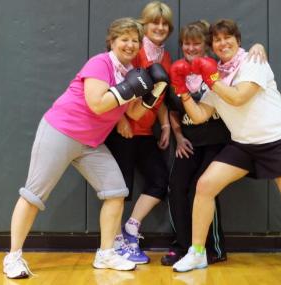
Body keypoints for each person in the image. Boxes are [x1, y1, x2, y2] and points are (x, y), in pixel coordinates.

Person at [2, 17, 169, 279]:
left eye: (134, 40)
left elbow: (134, 113)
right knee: (34, 194)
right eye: (124, 39)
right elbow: (97, 103)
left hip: (91, 143)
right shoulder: (100, 63)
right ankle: (13, 257)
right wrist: (130, 88)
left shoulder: (130, 73)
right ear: (112, 41)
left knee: (116, 192)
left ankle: (106, 254)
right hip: (61, 131)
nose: (130, 44)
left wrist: (153, 94)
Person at [170, 19, 281, 272]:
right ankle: (197, 252)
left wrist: (211, 80)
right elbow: (200, 115)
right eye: (217, 40)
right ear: (212, 46)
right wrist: (182, 91)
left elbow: (238, 97)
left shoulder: (253, 63)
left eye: (227, 38)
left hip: (277, 141)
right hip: (243, 145)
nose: (223, 43)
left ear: (237, 40)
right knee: (204, 185)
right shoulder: (217, 75)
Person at [161, 20, 267, 266]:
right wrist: (178, 137)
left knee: (203, 187)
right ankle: (182, 246)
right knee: (176, 187)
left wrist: (259, 46)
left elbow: (244, 58)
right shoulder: (177, 70)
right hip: (189, 142)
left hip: (217, 141)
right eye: (186, 43)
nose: (191, 48)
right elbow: (173, 111)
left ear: (206, 46)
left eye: (196, 43)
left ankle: (214, 248)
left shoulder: (220, 70)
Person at [105, 1, 173, 264]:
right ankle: (114, 243)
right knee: (120, 190)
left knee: (159, 182)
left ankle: (131, 229)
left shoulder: (165, 57)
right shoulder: (132, 50)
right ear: (144, 25)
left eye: (164, 23)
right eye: (154, 22)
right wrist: (120, 119)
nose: (159, 27)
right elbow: (113, 85)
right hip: (122, 131)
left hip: (146, 132)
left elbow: (161, 96)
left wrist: (165, 125)